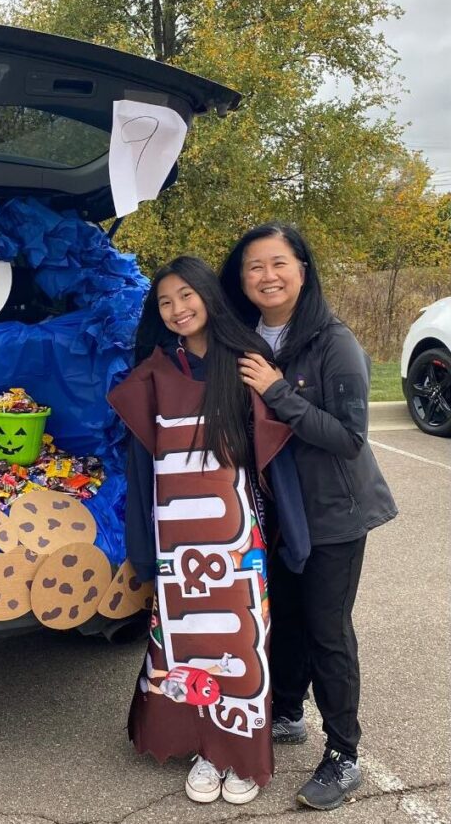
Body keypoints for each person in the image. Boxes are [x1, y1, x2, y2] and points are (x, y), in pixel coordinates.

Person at [108, 256, 309, 806]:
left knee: (241, 641)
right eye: (165, 301)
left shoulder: (246, 363)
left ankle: (240, 753)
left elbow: (274, 456)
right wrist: (142, 548)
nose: (177, 309)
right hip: (179, 541)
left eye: (186, 295)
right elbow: (138, 469)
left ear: (208, 296)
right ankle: (203, 747)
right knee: (190, 643)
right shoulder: (151, 374)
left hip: (236, 537)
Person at [220, 222, 398, 811]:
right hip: (274, 508)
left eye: (279, 264)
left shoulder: (333, 340)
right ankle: (288, 712)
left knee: (327, 630)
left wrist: (278, 391)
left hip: (333, 512)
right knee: (287, 618)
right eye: (254, 267)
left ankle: (344, 754)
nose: (267, 276)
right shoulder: (243, 338)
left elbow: (349, 437)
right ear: (241, 279)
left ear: (302, 269)